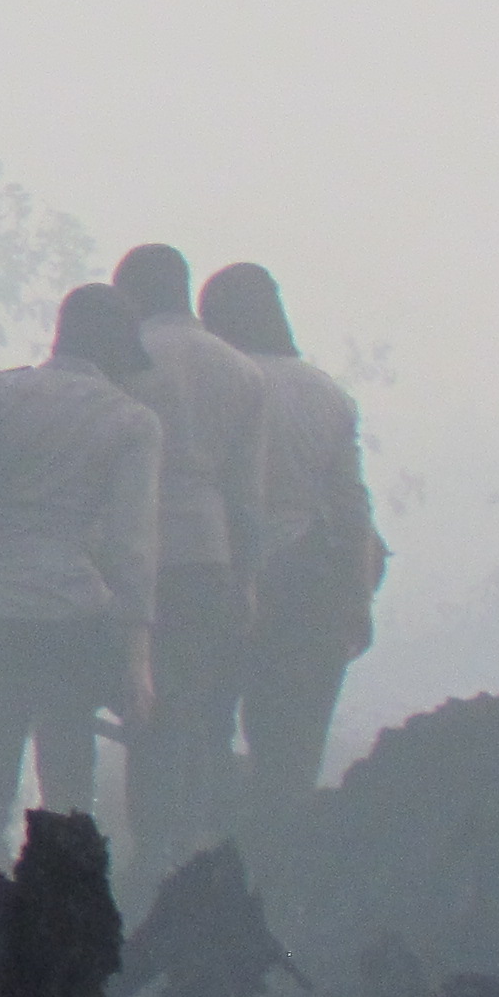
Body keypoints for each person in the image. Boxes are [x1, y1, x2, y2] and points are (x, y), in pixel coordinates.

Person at [0, 283, 164, 901]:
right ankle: (63, 920)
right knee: (69, 775)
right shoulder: (132, 421)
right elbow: (132, 550)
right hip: (69, 616)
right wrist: (136, 657)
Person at [199, 261, 383, 820]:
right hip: (308, 592)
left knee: (202, 740)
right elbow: (352, 509)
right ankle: (274, 873)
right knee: (290, 761)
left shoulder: (213, 382)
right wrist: (358, 598)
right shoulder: (326, 394)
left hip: (214, 581)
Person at [109, 241, 272, 865]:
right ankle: (191, 846)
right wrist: (247, 580)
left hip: (131, 552)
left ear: (129, 295)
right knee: (200, 709)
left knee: (142, 704)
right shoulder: (240, 372)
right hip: (208, 557)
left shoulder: (125, 363)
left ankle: (147, 846)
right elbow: (247, 496)